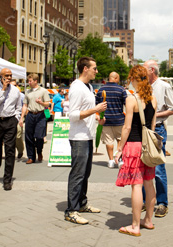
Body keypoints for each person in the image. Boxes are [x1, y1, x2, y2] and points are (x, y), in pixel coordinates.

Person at [113, 65, 158, 237]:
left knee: (137, 185)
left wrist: (119, 149)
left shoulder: (131, 99)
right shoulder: (153, 99)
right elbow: (152, 126)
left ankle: (135, 225)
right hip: (148, 145)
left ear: (133, 79)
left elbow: (127, 127)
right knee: (149, 183)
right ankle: (148, 220)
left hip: (133, 145)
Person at [64, 57, 108, 225]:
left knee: (85, 173)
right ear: (85, 69)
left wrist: (97, 118)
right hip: (79, 137)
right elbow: (73, 115)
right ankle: (71, 210)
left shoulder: (88, 87)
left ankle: (81, 204)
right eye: (94, 68)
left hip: (87, 135)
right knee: (77, 174)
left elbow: (85, 111)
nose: (96, 71)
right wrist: (95, 109)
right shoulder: (76, 88)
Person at [140, 60, 173, 218]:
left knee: (159, 168)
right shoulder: (142, 85)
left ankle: (162, 203)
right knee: (142, 166)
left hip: (158, 129)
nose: (142, 72)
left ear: (152, 70)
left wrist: (155, 115)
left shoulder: (163, 86)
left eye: (144, 70)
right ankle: (145, 200)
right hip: (143, 129)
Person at [0, 68, 23, 191]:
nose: (8, 77)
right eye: (6, 76)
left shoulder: (15, 91)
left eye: (10, 76)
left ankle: (7, 180)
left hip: (10, 121)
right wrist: (2, 90)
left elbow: (18, 107)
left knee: (10, 151)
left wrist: (16, 119)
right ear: (1, 77)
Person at [96, 72, 128, 169]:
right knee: (120, 139)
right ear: (116, 78)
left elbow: (96, 105)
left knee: (109, 141)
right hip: (119, 119)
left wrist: (98, 116)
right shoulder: (121, 89)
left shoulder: (101, 90)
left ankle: (110, 161)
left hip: (105, 120)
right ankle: (119, 159)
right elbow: (127, 104)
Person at [21, 73, 52, 164]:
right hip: (30, 115)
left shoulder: (43, 91)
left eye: (30, 81)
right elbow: (25, 105)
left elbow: (47, 104)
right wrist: (22, 118)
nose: (29, 82)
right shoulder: (27, 92)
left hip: (40, 115)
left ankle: (39, 151)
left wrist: (41, 102)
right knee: (28, 137)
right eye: (28, 81)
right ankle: (31, 157)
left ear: (35, 81)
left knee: (39, 136)